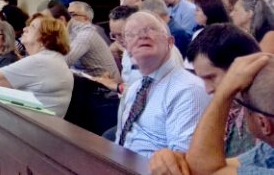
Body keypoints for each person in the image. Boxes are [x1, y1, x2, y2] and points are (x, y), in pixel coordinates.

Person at [148, 53, 274, 175]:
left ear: (264, 124)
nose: (207, 89)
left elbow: (204, 170)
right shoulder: (269, 149)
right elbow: (203, 164)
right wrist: (171, 160)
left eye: (211, 77)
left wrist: (224, 92)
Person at [114, 12, 209, 156]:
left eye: (150, 29)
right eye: (132, 34)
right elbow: (120, 141)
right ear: (127, 48)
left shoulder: (188, 90)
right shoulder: (134, 89)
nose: (142, 36)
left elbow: (181, 161)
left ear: (170, 42)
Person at [185, 24, 262, 157]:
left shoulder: (265, 112)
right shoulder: (233, 109)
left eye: (211, 77)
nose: (208, 89)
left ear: (240, 68)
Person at [65, 1, 120, 81]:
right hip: (90, 84)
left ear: (86, 19)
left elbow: (64, 61)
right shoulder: (74, 34)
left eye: (72, 15)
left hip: (106, 89)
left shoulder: (88, 34)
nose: (68, 19)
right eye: (67, 15)